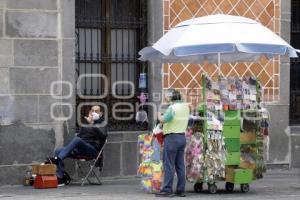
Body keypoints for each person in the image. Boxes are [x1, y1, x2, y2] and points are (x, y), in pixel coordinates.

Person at [48, 106, 107, 185]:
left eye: (96, 111)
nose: (94, 113)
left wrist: (92, 124)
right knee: (57, 150)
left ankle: (58, 158)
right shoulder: (86, 123)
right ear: (89, 112)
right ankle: (60, 177)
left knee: (77, 140)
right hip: (80, 149)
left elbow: (104, 135)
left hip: (93, 150)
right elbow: (80, 136)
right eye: (92, 111)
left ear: (100, 113)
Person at [155, 89, 190, 197]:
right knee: (180, 165)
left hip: (172, 138)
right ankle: (181, 189)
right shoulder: (185, 107)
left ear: (172, 98)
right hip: (181, 137)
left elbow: (163, 120)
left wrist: (158, 114)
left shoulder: (172, 108)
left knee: (169, 164)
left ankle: (167, 189)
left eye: (167, 96)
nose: (166, 98)